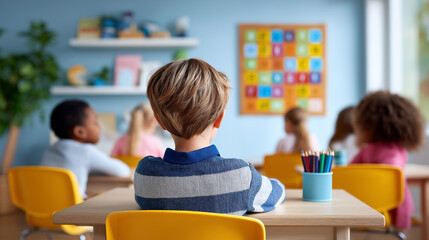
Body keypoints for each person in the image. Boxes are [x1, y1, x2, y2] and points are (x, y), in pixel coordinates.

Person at [134, 59, 285, 215]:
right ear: (219, 118)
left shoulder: (145, 174)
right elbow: (278, 192)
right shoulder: (241, 176)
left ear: (160, 121)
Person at [351, 91, 425, 230]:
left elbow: (349, 174)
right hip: (392, 211)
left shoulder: (366, 151)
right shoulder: (397, 151)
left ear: (366, 124)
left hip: (363, 208)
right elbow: (391, 171)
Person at [41, 100, 130, 198]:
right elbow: (122, 171)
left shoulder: (50, 150)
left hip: (46, 208)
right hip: (72, 210)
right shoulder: (86, 151)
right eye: (95, 123)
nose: (99, 127)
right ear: (79, 132)